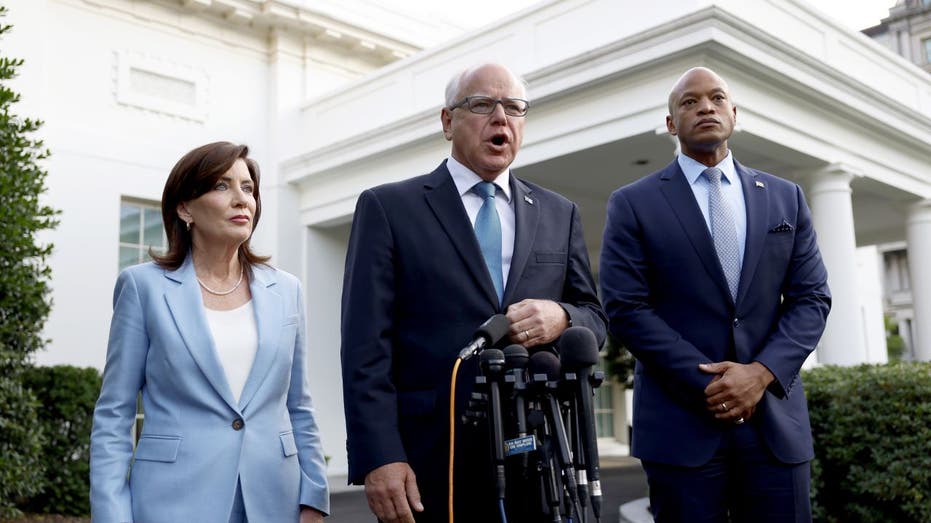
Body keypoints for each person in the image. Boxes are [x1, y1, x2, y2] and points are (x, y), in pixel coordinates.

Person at [340, 63, 607, 522]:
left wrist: (562, 317)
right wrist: (380, 455)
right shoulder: (388, 208)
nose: (501, 118)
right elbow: (366, 346)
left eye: (514, 108)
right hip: (431, 462)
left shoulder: (558, 213)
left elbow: (594, 317)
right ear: (447, 121)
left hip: (539, 458)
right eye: (482, 105)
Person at [599, 67, 831, 522]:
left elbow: (812, 299)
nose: (705, 106)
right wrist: (714, 383)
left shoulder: (787, 198)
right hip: (680, 425)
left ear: (734, 113)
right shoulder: (632, 203)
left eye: (717, 97)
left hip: (774, 426)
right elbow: (626, 307)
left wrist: (760, 373)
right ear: (670, 124)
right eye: (689, 101)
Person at [90, 142, 329, 523]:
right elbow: (114, 414)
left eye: (248, 188)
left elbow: (298, 404)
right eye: (222, 186)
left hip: (273, 502)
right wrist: (112, 516)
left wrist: (314, 496)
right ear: (185, 208)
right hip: (172, 502)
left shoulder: (286, 291)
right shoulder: (143, 288)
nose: (242, 200)